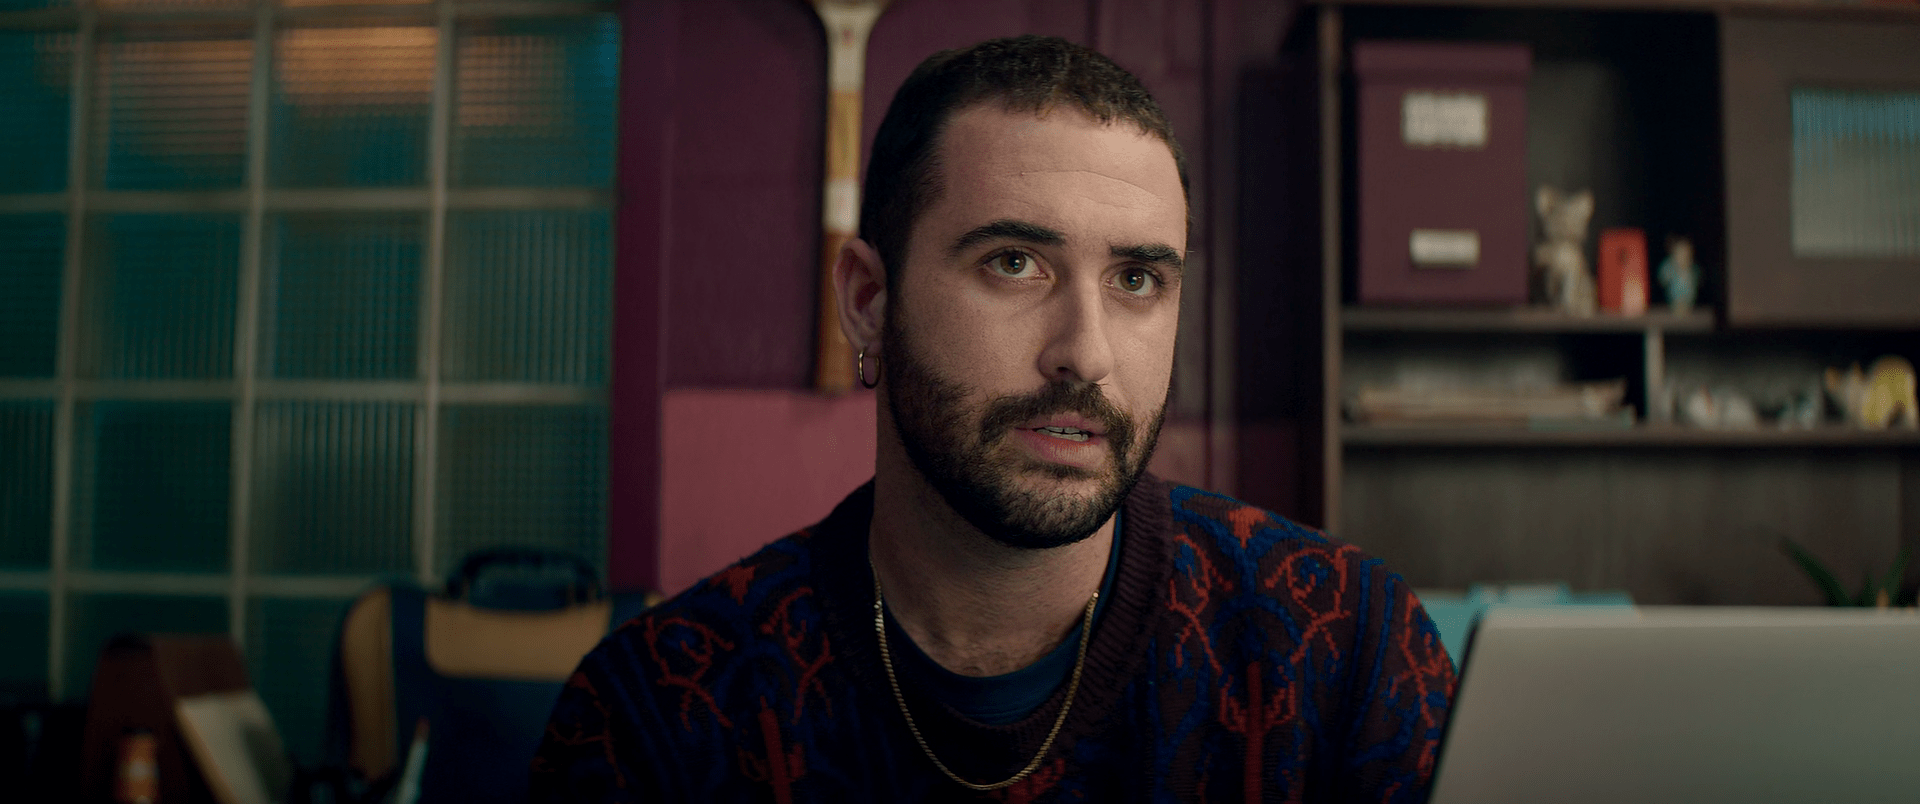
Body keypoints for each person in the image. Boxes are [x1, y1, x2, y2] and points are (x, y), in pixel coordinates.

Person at [530, 35, 1454, 802]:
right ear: (868, 301)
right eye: (1015, 263)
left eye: (1137, 279)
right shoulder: (659, 716)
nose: (1085, 353)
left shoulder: (1342, 648)